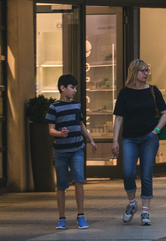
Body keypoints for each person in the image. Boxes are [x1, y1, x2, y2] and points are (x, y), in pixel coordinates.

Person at [112, 59, 166, 227]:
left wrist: (156, 131)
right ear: (134, 72)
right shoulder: (125, 93)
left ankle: (145, 212)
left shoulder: (153, 90)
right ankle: (132, 204)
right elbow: (119, 118)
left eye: (147, 70)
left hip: (148, 138)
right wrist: (115, 140)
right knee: (128, 172)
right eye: (143, 70)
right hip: (129, 138)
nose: (146, 73)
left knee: (146, 174)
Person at [45, 74, 97, 230]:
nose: (75, 91)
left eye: (75, 88)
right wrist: (60, 134)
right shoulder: (54, 107)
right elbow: (50, 130)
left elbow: (81, 125)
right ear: (63, 88)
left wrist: (91, 139)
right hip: (60, 152)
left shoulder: (77, 106)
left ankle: (81, 216)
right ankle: (62, 218)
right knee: (61, 185)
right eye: (72, 88)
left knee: (78, 180)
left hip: (77, 149)